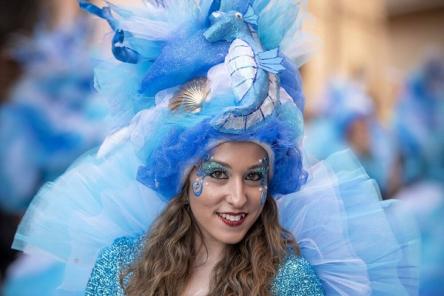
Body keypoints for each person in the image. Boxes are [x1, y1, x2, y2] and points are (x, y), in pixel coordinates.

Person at [13, 0, 419, 295]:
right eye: (218, 173)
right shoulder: (124, 267)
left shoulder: (289, 281)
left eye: (255, 176)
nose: (238, 197)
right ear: (186, 175)